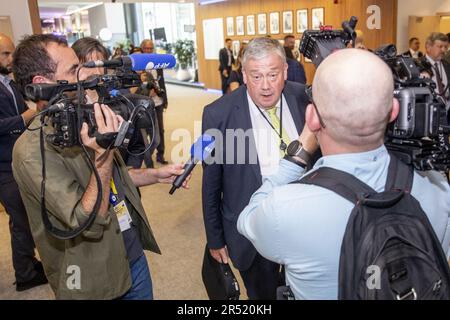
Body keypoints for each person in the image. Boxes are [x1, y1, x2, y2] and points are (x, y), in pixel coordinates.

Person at [237, 48, 450, 300]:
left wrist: (299, 153)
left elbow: (246, 219)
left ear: (312, 118)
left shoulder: (284, 208)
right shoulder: (437, 185)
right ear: (393, 111)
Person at [12, 34, 190, 299]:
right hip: (93, 280)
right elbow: (86, 219)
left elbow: (110, 180)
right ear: (43, 83)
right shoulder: (31, 151)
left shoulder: (81, 117)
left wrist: (155, 174)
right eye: (74, 69)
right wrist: (104, 154)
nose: (85, 75)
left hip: (131, 256)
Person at [202, 37, 311, 299]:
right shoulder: (218, 114)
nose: (265, 86)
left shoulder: (304, 97)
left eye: (273, 75)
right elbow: (211, 184)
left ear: (285, 70)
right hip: (252, 231)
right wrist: (215, 239)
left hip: (305, 224)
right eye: (256, 76)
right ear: (244, 74)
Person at [0, 33, 48, 292]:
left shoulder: (9, 83)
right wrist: (24, 117)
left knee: (26, 219)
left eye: (11, 53)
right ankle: (25, 275)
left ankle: (28, 262)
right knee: (21, 221)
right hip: (3, 166)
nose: (10, 59)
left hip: (17, 160)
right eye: (5, 54)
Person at [72, 37, 145, 169]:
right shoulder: (70, 106)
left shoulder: (120, 98)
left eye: (101, 65)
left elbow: (137, 145)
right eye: (90, 65)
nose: (97, 72)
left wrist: (128, 174)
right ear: (75, 68)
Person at [140, 39, 169, 167]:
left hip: (158, 102)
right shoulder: (138, 65)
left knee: (160, 131)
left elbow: (161, 83)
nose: (149, 51)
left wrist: (165, 99)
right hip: (144, 105)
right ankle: (148, 159)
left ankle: (160, 154)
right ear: (142, 49)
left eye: (151, 48)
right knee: (146, 132)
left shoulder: (158, 63)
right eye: (146, 48)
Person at [421, 32, 450, 104]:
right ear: (428, 47)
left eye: (445, 47)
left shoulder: (447, 65)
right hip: (427, 111)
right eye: (440, 46)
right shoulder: (418, 65)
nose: (443, 50)